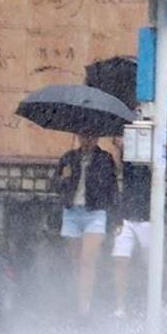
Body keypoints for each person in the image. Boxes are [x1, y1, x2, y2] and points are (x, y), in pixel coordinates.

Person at [52, 131, 118, 317]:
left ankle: (84, 305)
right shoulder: (69, 158)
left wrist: (116, 218)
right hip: (72, 213)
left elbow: (112, 188)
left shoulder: (104, 159)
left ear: (97, 138)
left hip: (94, 213)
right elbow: (55, 185)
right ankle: (79, 296)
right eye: (84, 136)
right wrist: (64, 178)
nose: (87, 140)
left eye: (91, 136)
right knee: (76, 263)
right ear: (78, 137)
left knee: (87, 261)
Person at [111, 141, 167, 318]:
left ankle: (163, 300)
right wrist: (119, 147)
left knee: (155, 263)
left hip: (149, 215)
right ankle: (120, 306)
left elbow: (164, 164)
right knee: (120, 260)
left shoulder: (161, 146)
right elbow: (118, 169)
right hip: (127, 214)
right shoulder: (129, 148)